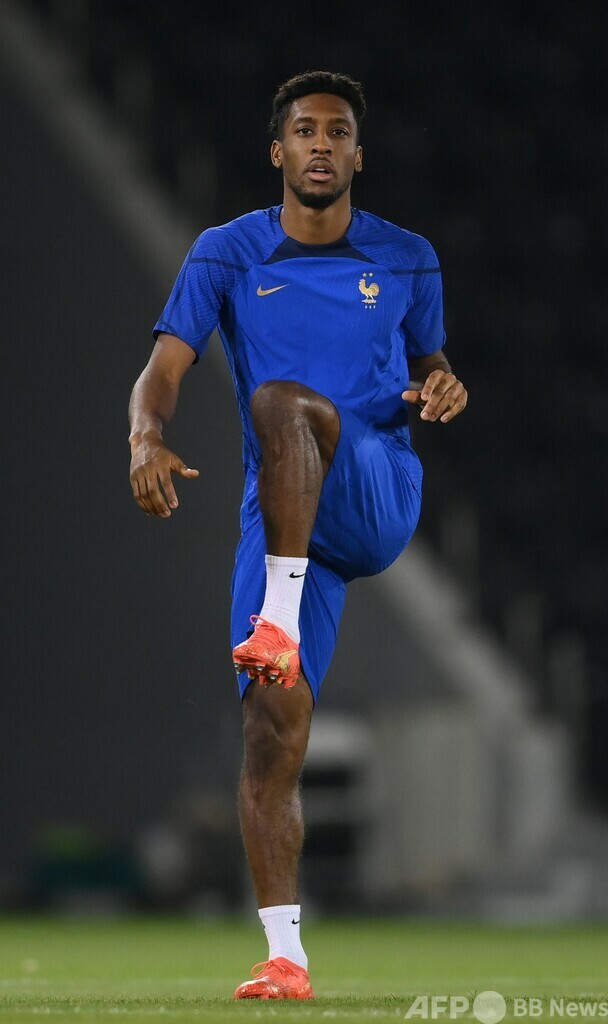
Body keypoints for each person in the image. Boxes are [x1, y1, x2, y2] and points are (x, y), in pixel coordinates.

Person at [128, 70, 468, 1000]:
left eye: (339, 131)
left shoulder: (406, 257)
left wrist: (443, 381)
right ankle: (286, 956)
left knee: (282, 402)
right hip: (281, 510)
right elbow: (163, 370)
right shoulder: (226, 252)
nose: (322, 144)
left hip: (373, 484)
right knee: (270, 731)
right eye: (306, 131)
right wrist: (145, 437)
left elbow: (432, 361)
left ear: (359, 154)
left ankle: (275, 620)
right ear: (277, 151)